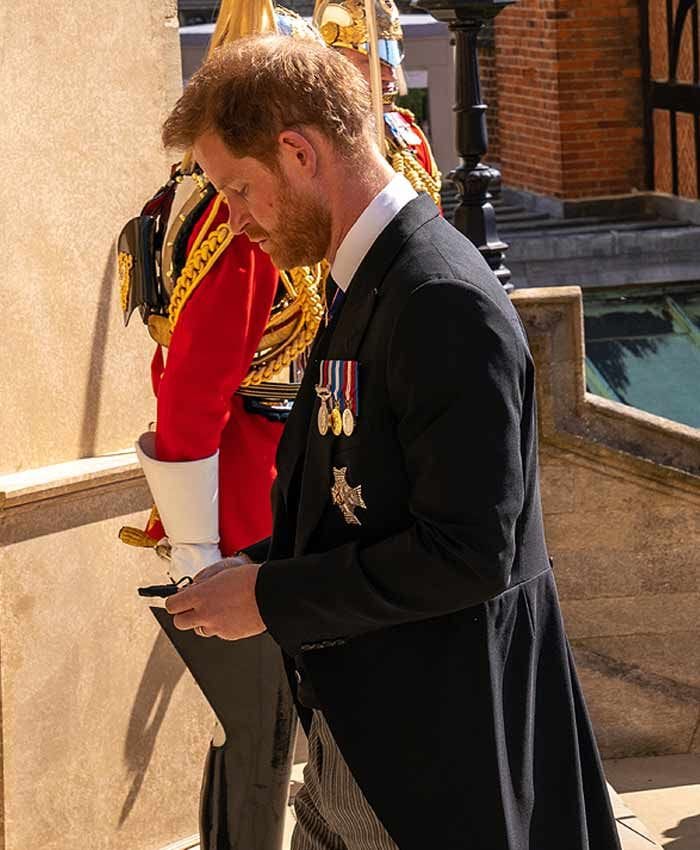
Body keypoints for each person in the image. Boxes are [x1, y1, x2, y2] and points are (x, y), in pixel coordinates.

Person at [161, 35, 622, 850]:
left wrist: (270, 596)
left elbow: (470, 552)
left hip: (431, 766)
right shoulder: (369, 276)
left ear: (298, 153)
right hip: (367, 739)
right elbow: (367, 493)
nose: (232, 221)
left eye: (238, 189)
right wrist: (261, 565)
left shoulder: (437, 297)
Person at [116, 7, 325, 849]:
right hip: (249, 512)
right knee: (264, 741)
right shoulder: (235, 227)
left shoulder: (211, 203)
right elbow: (194, 394)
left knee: (264, 739)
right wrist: (201, 554)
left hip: (265, 490)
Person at [313, 0, 441, 205]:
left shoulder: (408, 131)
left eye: (390, 59)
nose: (389, 75)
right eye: (370, 60)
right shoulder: (317, 142)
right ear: (334, 64)